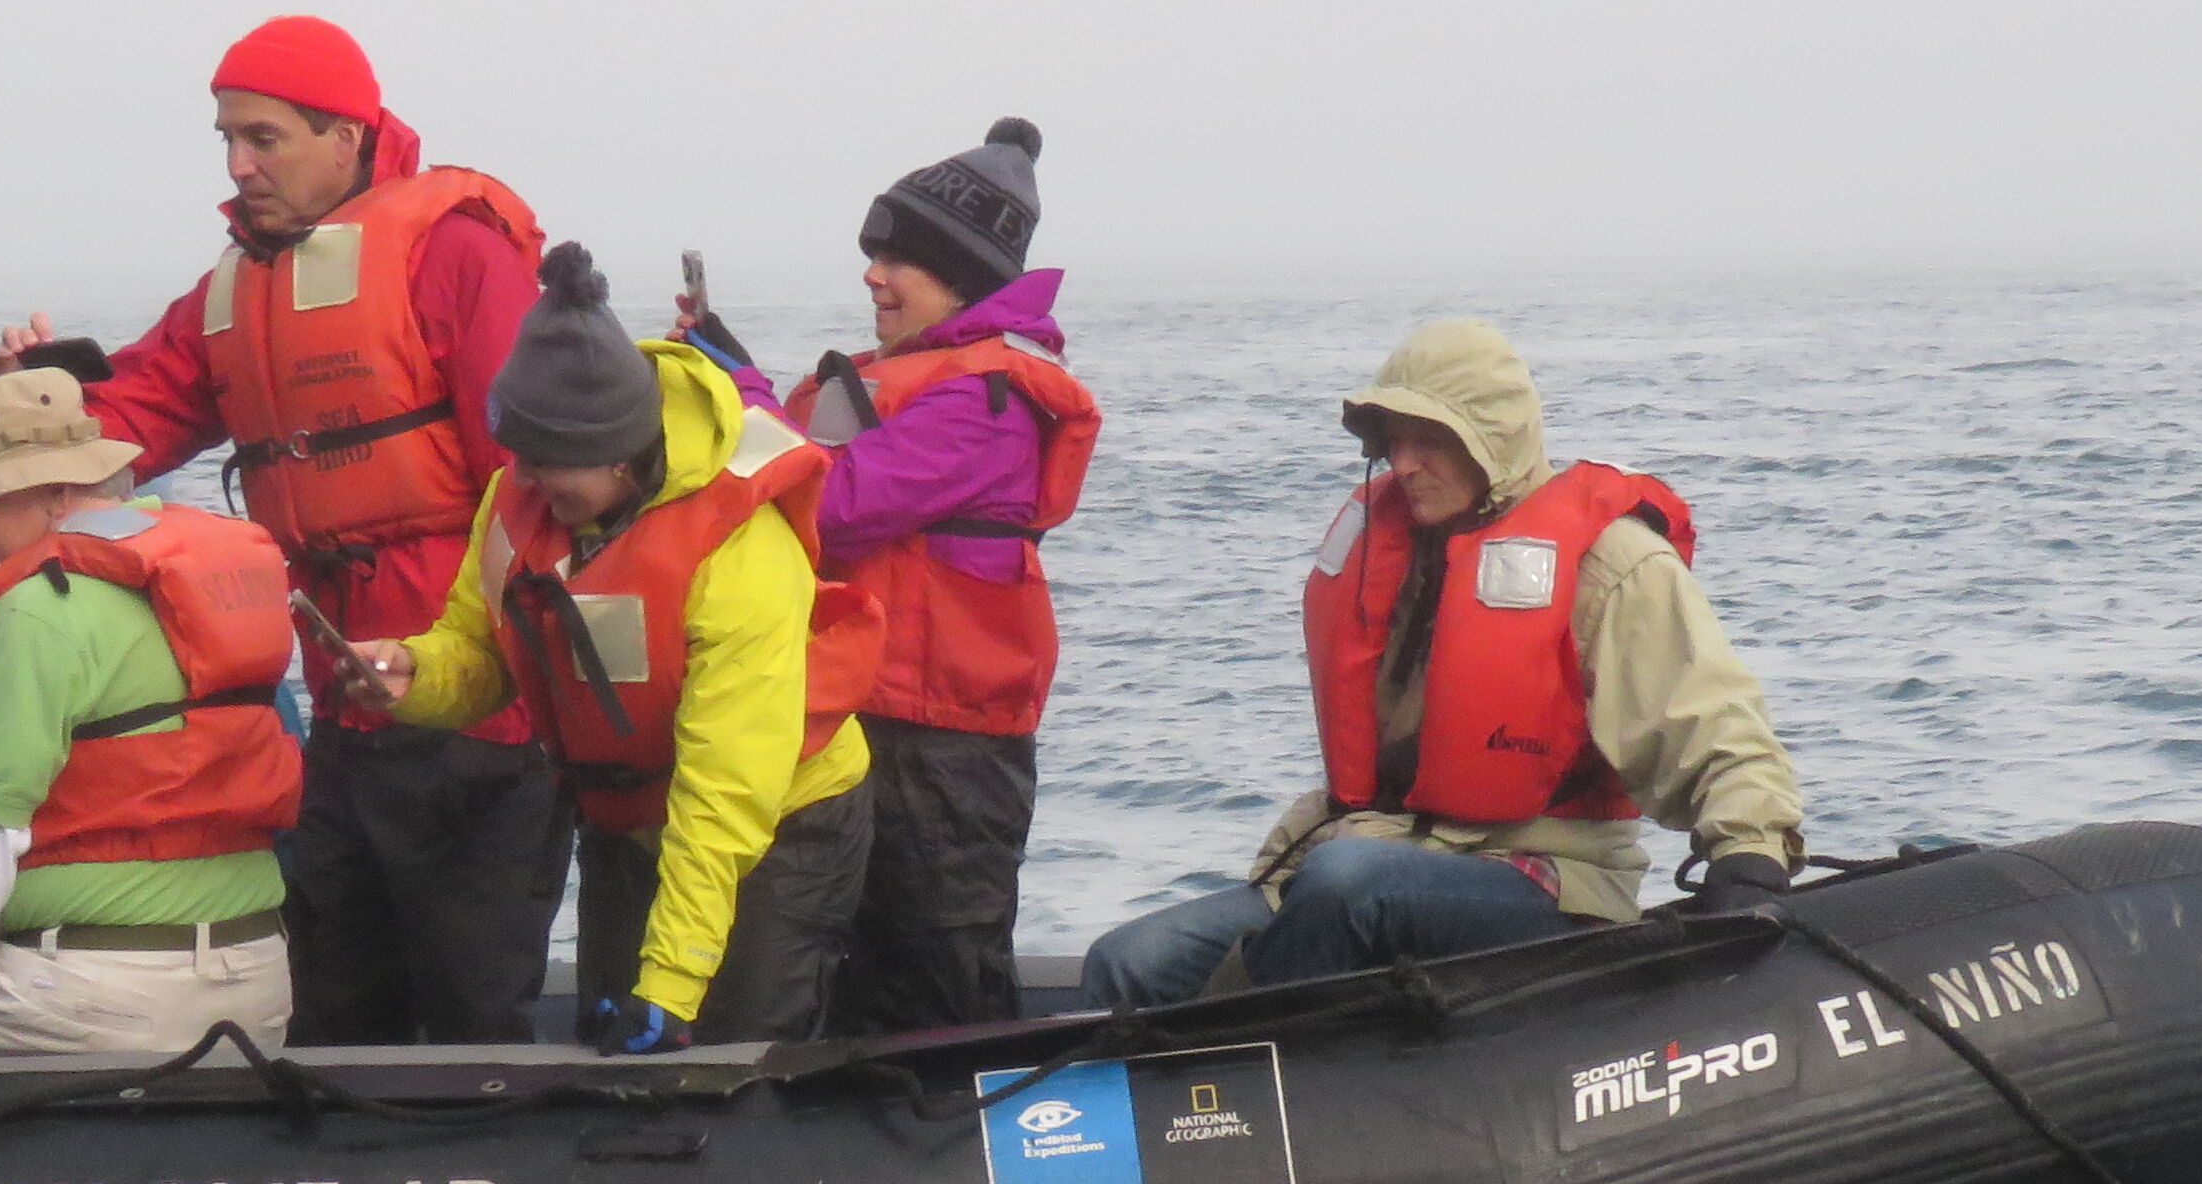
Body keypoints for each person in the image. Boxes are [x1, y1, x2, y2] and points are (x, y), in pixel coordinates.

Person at [0, 17, 560, 1044]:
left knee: (474, 1007)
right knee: (334, 1007)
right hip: (342, 709)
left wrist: (505, 669)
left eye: (264, 138)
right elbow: (129, 415)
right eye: (227, 139)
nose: (239, 166)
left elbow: (537, 480)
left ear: (345, 137)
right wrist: (29, 401)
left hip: (480, 721)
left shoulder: (455, 254)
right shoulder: (239, 285)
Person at [1084, 319, 1806, 1009]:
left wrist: (1750, 855)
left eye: (1429, 439)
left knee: (1347, 886)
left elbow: (1712, 724)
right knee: (1126, 963)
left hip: (1545, 883)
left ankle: (1250, 1044)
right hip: (1376, 853)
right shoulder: (1390, 549)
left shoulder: (1611, 562)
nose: (1404, 463)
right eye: (1393, 440)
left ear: (1491, 441)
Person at [348, 247, 876, 1050]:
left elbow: (724, 795)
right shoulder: (518, 497)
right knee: (614, 1047)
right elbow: (479, 651)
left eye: (546, 461)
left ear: (622, 454)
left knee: (729, 1051)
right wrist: (412, 673)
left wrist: (671, 983)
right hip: (627, 827)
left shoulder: (739, 553)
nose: (524, 480)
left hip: (776, 827)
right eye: (518, 455)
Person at [687, 118, 1100, 1033]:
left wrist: (747, 393)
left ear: (962, 275)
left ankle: (963, 1112)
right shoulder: (909, 378)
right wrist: (733, 377)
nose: (873, 275)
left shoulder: (986, 400)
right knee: (836, 960)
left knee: (939, 971)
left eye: (899, 258)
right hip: (858, 714)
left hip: (945, 745)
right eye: (874, 254)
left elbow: (832, 504)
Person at [0, 372, 304, 1061]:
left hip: (91, 995)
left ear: (55, 493)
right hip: (255, 982)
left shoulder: (36, 612)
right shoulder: (213, 584)